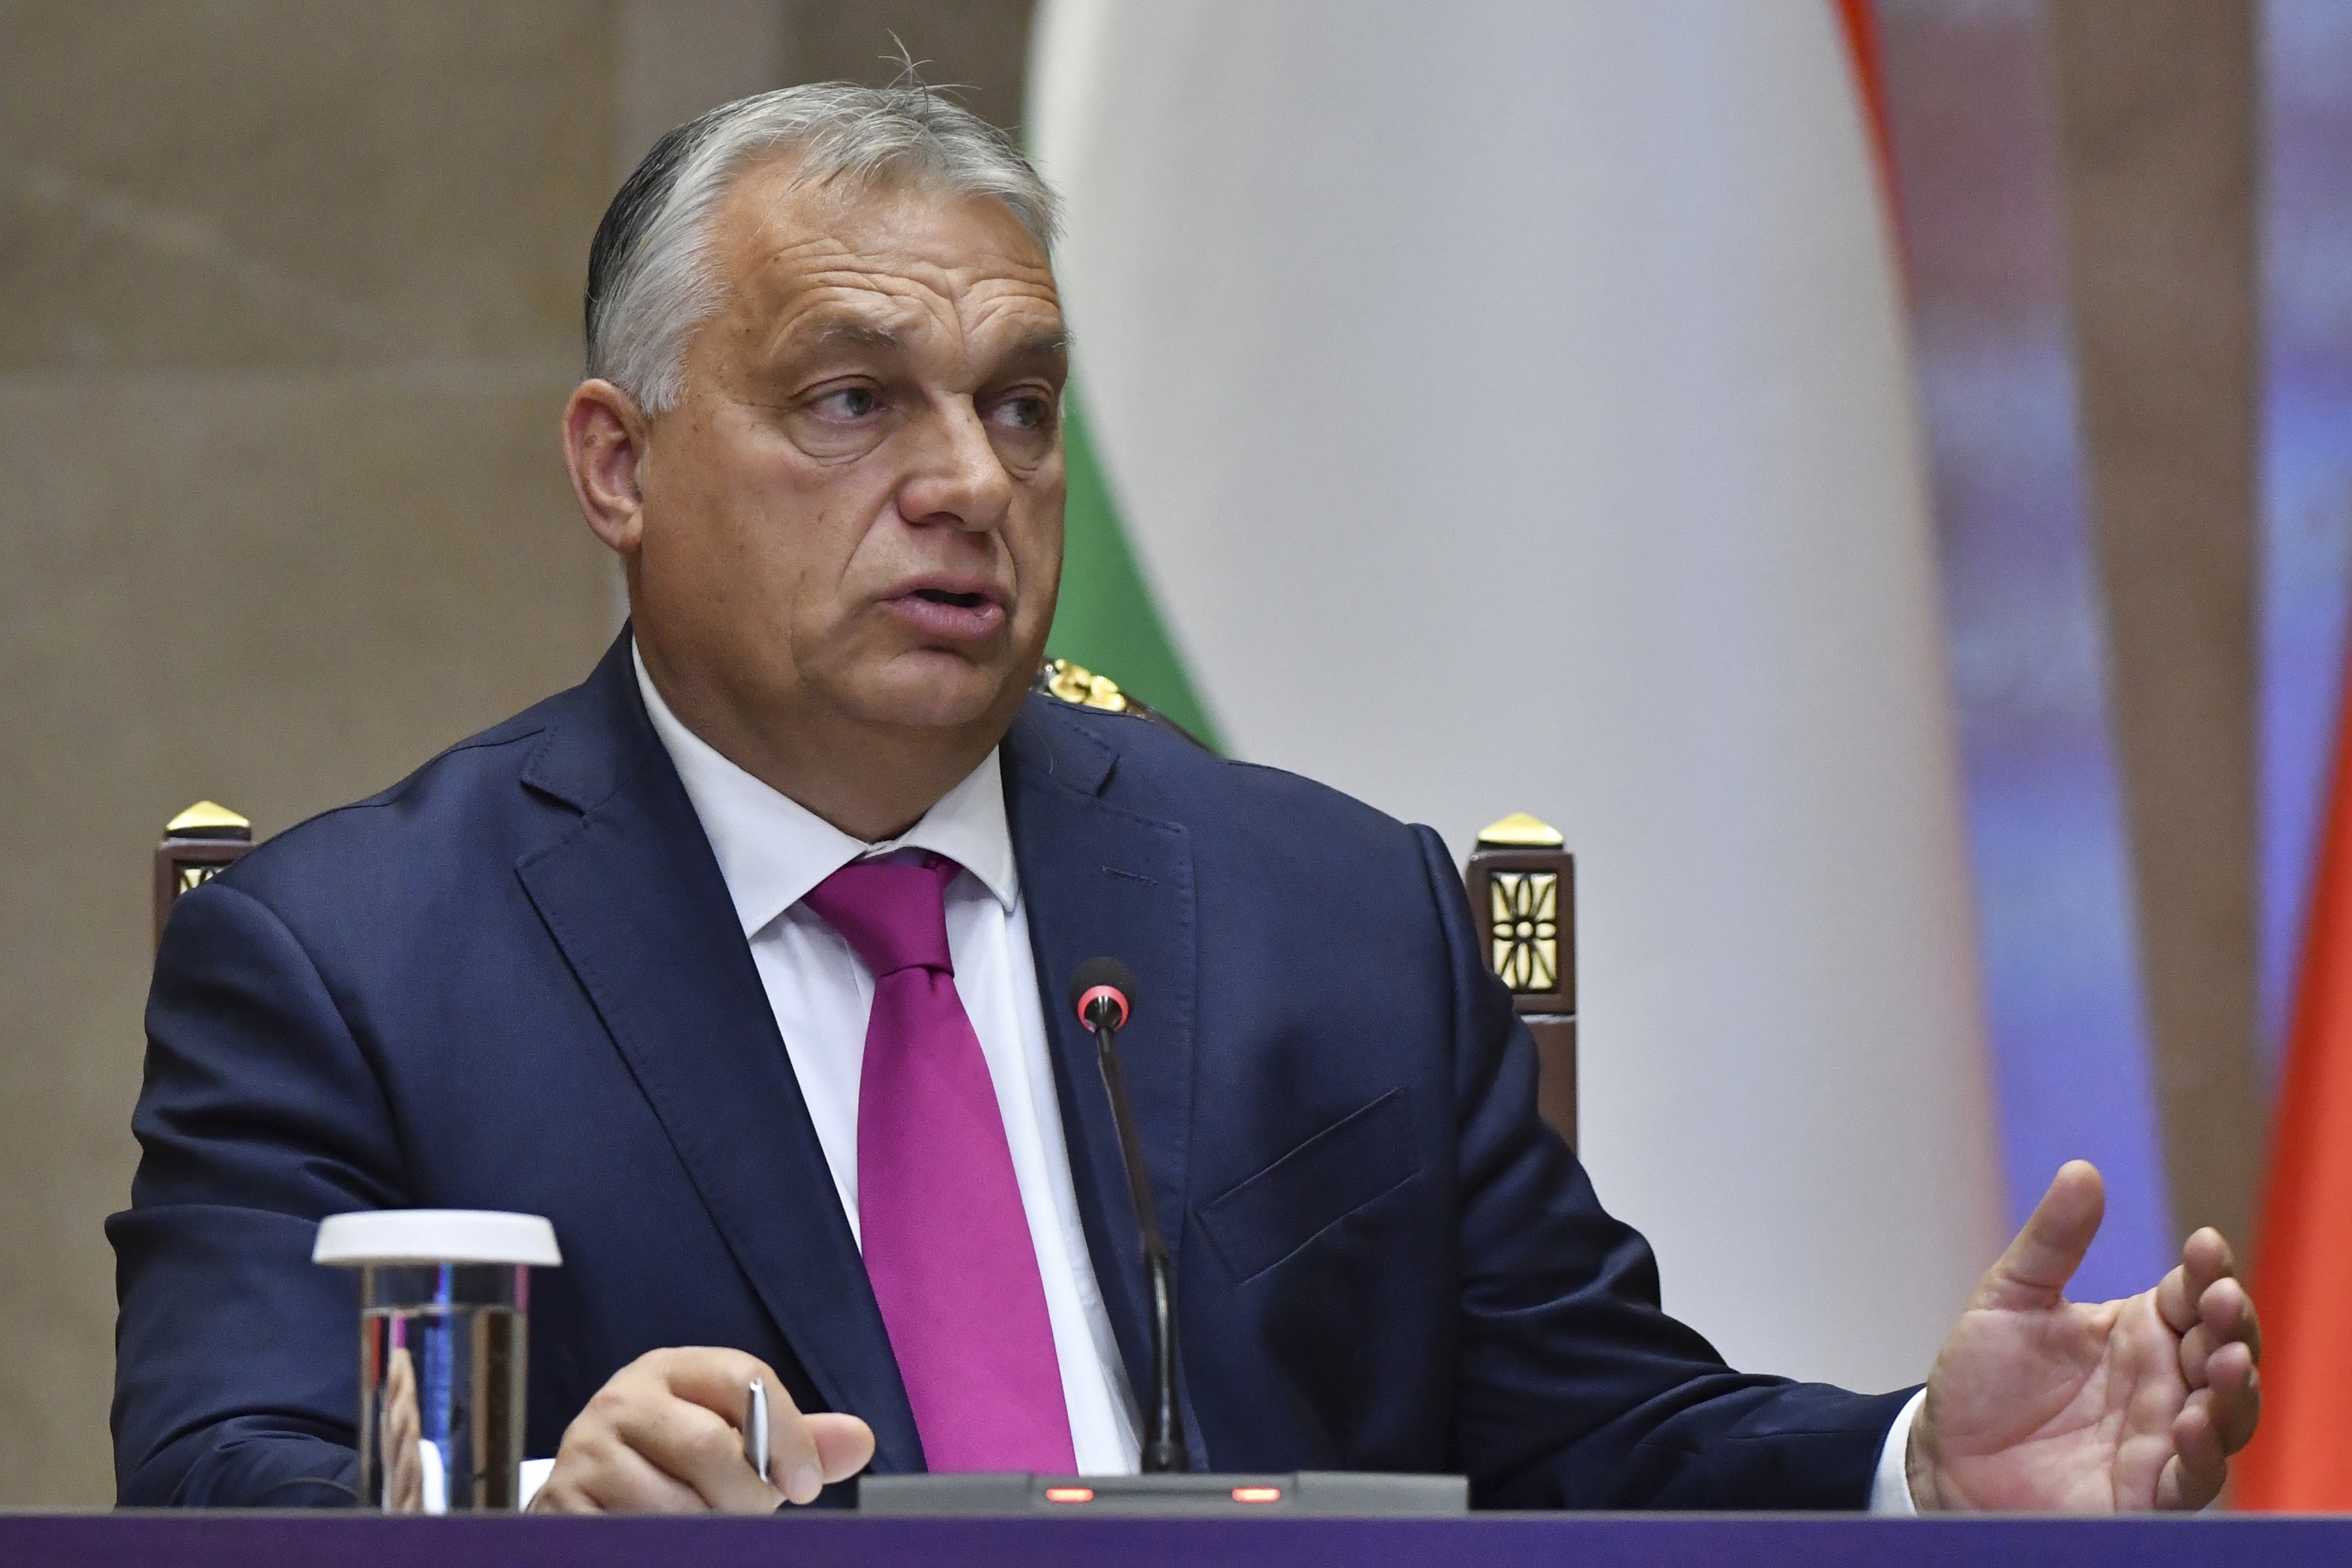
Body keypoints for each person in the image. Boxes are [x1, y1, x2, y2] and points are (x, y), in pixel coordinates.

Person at [109, 83, 2260, 1513]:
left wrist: (1917, 1469)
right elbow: (219, 1475)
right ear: (617, 460)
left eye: (1019, 406)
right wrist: (536, 1509)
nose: (965, 483)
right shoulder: (354, 960)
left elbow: (1583, 1436)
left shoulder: (1324, 909)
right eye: (854, 398)